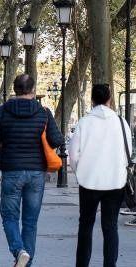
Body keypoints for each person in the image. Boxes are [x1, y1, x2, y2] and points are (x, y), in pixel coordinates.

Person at [0, 74, 63, 267]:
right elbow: (57, 140)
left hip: (11, 171)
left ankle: (19, 251)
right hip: (36, 173)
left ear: (15, 89)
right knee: (30, 221)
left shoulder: (2, 112)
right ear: (33, 89)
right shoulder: (44, 112)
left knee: (9, 217)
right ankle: (25, 263)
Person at [68, 84, 131, 267]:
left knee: (85, 226)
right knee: (110, 227)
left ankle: (82, 264)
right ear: (110, 99)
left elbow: (73, 154)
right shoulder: (121, 122)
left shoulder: (84, 122)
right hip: (115, 182)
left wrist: (79, 172)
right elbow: (128, 152)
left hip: (89, 182)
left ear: (93, 100)